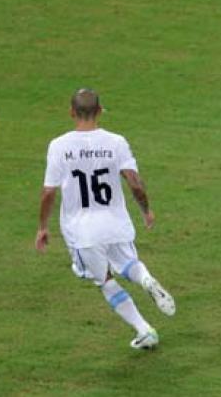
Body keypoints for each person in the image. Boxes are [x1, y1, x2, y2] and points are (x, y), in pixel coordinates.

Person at [36, 88, 175, 349]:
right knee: (129, 263)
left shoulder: (59, 146)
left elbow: (48, 192)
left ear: (71, 112)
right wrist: (145, 210)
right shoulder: (116, 142)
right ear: (100, 111)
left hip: (82, 231)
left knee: (105, 280)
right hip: (116, 223)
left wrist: (43, 227)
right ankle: (145, 279)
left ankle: (144, 330)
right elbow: (134, 182)